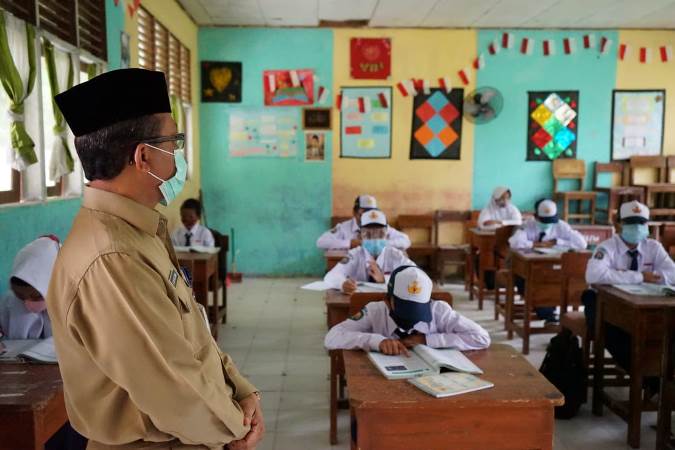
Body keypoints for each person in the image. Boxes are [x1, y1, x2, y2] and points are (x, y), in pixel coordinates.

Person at [47, 69, 263, 450]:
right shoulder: (112, 257)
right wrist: (236, 429)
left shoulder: (138, 233)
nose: (178, 155)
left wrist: (242, 391)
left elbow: (190, 334)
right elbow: (173, 386)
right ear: (144, 156)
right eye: (174, 142)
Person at [584, 201, 675, 379]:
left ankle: (659, 375)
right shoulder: (607, 247)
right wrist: (641, 276)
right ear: (618, 224)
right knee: (617, 334)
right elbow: (594, 275)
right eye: (631, 223)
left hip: (644, 303)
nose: (637, 228)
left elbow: (673, 272)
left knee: (664, 329)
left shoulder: (653, 247)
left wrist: (654, 276)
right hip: (608, 304)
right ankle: (647, 377)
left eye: (641, 223)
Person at [325, 266, 490, 354]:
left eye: (418, 310)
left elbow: (481, 337)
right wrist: (377, 341)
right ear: (388, 301)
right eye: (406, 309)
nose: (412, 320)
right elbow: (332, 337)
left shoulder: (439, 311)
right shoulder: (375, 311)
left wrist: (428, 340)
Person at [509, 199, 587, 323]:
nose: (548, 224)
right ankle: (545, 310)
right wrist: (535, 244)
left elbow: (582, 244)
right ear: (535, 216)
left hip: (553, 268)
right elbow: (514, 242)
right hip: (532, 268)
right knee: (527, 280)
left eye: (550, 221)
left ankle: (548, 309)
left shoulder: (561, 226)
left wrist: (558, 242)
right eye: (544, 221)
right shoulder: (528, 225)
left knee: (558, 280)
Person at [324, 209, 414, 293]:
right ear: (360, 236)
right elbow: (331, 276)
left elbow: (416, 275)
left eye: (380, 233)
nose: (374, 238)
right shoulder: (354, 255)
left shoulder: (395, 255)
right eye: (368, 234)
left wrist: (385, 279)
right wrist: (342, 284)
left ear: (387, 234)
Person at [0, 236, 59, 339]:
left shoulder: (68, 304)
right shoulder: (11, 300)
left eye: (35, 297)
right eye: (21, 296)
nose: (27, 304)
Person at [316, 194, 411, 250]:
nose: (367, 218)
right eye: (363, 214)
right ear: (354, 212)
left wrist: (380, 244)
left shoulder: (378, 227)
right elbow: (321, 242)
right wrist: (350, 243)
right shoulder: (344, 227)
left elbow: (405, 241)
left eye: (371, 214)